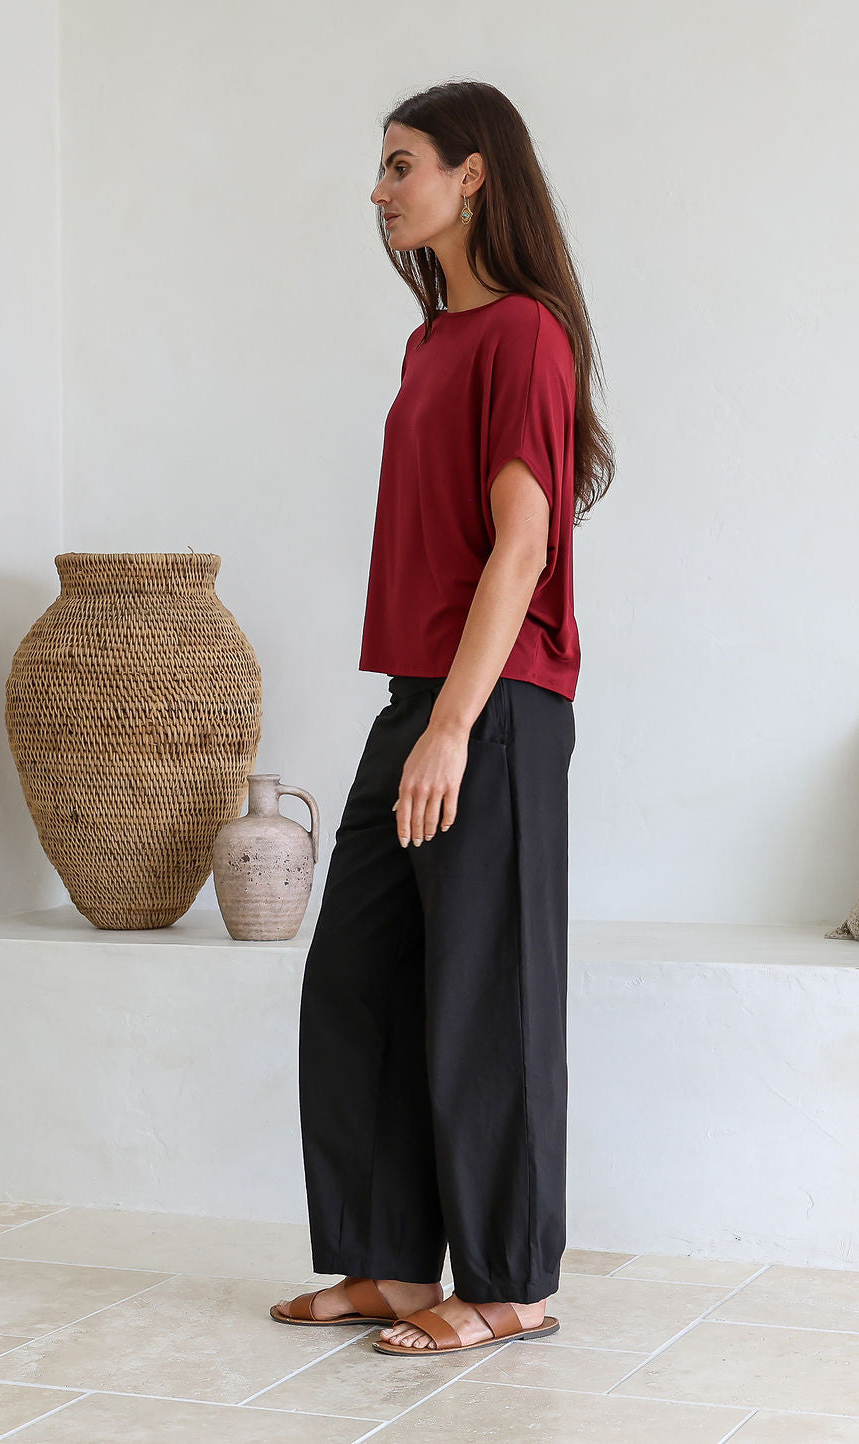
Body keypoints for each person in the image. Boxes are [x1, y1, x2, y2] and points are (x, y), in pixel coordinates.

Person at [270, 79, 613, 1357]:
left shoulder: (525, 333)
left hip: (499, 703)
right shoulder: (431, 344)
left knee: (488, 996)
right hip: (421, 695)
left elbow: (520, 547)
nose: (378, 188)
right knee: (360, 974)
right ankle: (395, 1266)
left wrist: (457, 725)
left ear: (473, 176)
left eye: (399, 163)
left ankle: (513, 1283)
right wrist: (427, 718)